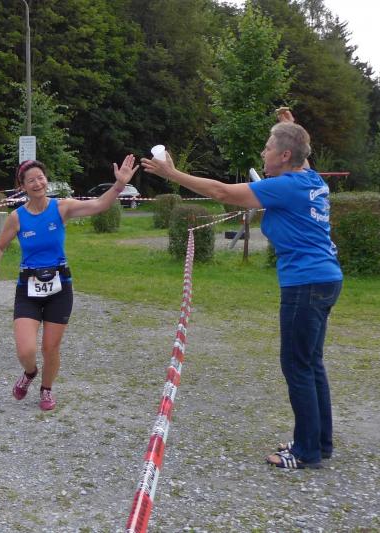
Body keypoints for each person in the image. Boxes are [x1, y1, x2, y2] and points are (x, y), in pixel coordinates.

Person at [141, 119, 343, 469]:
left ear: (284, 155)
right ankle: (319, 442)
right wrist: (290, 126)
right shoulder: (311, 179)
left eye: (268, 147)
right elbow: (302, 153)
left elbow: (222, 192)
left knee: (297, 365)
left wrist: (171, 173)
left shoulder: (286, 186)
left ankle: (306, 451)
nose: (263, 152)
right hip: (325, 280)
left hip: (305, 284)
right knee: (311, 363)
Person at [0, 155, 138, 411]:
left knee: (50, 347)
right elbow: (0, 245)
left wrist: (119, 185)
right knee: (25, 350)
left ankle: (46, 389)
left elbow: (99, 204)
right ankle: (30, 372)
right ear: (22, 186)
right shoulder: (17, 217)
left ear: (47, 180)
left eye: (41, 178)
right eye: (31, 180)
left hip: (59, 287)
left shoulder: (62, 208)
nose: (37, 183)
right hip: (28, 288)